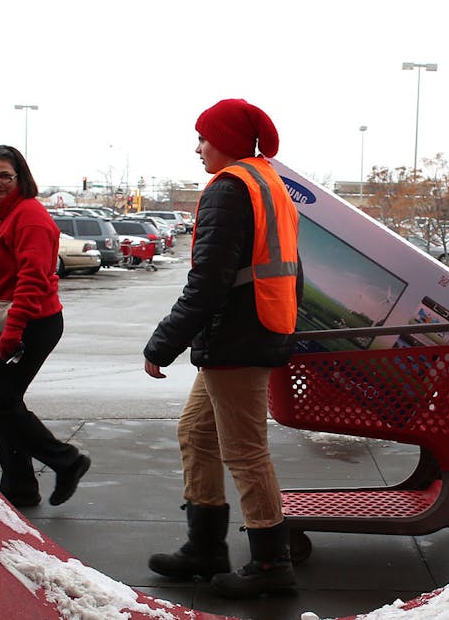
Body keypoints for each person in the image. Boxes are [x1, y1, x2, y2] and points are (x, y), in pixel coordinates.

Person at [143, 99, 303, 598]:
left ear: (228, 141)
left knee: (245, 450)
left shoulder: (231, 189)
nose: (197, 148)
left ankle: (271, 563)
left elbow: (209, 280)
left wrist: (163, 343)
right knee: (196, 432)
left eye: (204, 138)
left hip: (239, 334)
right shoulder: (268, 182)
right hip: (250, 329)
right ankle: (205, 547)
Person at [0, 145, 90, 509]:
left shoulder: (29, 216)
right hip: (7, 320)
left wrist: (14, 331)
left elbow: (33, 280)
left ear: (21, 177)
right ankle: (20, 488)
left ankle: (67, 461)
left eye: (5, 175)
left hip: (33, 322)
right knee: (3, 404)